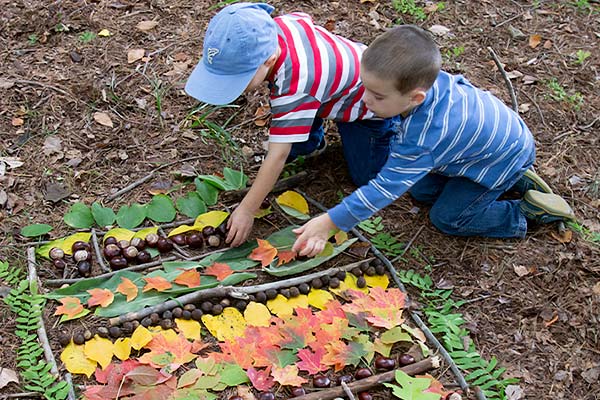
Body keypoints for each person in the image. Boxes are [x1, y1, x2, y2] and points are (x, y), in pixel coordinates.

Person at [292, 25, 575, 257]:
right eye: (367, 88)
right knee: (421, 191)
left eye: (377, 97)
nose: (366, 99)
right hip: (497, 143)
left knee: (448, 218)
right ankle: (514, 178)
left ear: (416, 98)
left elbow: (383, 189)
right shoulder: (429, 80)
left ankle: (523, 209)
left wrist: (329, 221)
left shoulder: (423, 138)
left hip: (501, 158)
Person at [185, 2, 396, 247]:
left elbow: (277, 156)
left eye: (239, 79)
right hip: (327, 90)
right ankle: (311, 140)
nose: (237, 87)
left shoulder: (297, 86)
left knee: (367, 176)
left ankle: (395, 136)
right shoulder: (273, 31)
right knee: (297, 113)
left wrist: (247, 209)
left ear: (269, 60)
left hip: (368, 108)